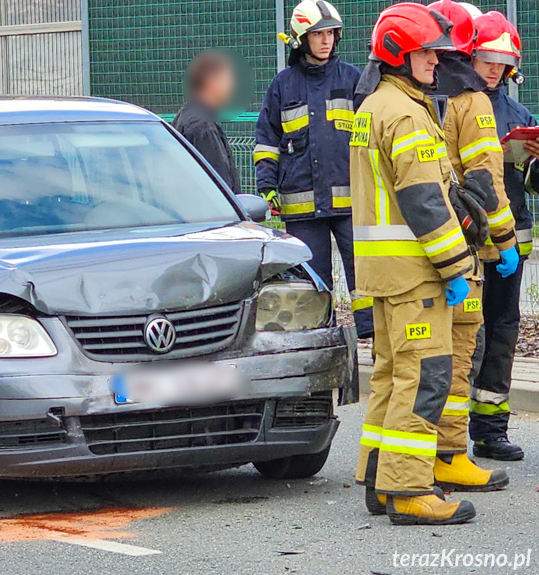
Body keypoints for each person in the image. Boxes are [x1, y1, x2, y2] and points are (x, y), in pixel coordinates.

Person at [352, 3, 477, 525]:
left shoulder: (377, 106)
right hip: (415, 272)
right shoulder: (404, 112)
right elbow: (423, 200)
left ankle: (381, 480)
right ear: (400, 55)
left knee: (392, 376)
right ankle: (408, 492)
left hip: (386, 274)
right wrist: (456, 266)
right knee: (425, 376)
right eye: (426, 51)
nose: (435, 60)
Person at [427, 0, 514, 493]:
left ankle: (389, 462)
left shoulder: (404, 94)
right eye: (489, 59)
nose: (496, 70)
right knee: (460, 353)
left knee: (413, 360)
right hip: (463, 245)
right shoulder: (472, 101)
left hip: (416, 249)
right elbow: (485, 182)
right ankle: (450, 456)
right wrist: (503, 241)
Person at [254, 0, 372, 338]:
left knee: (363, 274)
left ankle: (372, 335)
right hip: (302, 209)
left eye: (331, 33)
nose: (326, 41)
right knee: (312, 283)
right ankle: (321, 340)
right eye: (318, 34)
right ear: (301, 39)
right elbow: (267, 140)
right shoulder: (283, 85)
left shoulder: (354, 79)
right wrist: (267, 187)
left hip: (352, 204)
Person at [470, 12, 539, 461]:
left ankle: (491, 430)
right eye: (488, 59)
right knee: (467, 338)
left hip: (511, 245)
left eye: (503, 60)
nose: (495, 68)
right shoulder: (452, 104)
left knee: (501, 335)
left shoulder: (518, 112)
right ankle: (451, 432)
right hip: (472, 244)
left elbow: (530, 184)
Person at [173, 50, 242, 195]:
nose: (232, 85)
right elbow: (221, 191)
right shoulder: (203, 128)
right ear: (211, 81)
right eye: (228, 79)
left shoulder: (184, 117)